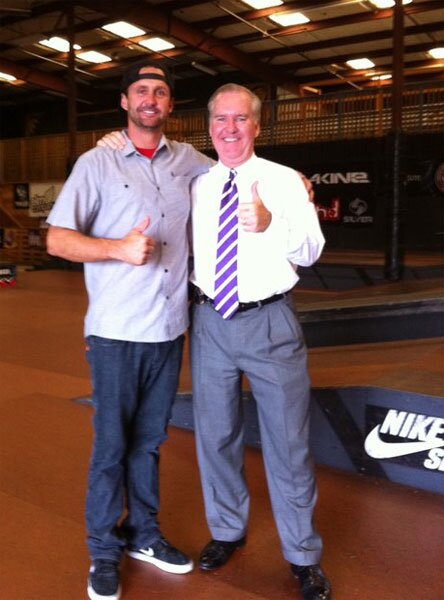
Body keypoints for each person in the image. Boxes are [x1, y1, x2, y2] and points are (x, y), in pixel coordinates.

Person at [46, 59, 213, 600]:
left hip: (167, 330)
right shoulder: (97, 163)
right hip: (116, 333)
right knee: (112, 446)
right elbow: (57, 241)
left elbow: (238, 171)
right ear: (125, 102)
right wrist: (117, 248)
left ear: (169, 104)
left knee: (149, 443)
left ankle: (143, 533)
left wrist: (293, 181)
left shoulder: (189, 160)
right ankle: (102, 549)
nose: (151, 99)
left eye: (160, 92)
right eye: (141, 91)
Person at [189, 83, 331, 600]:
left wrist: (272, 225)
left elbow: (312, 250)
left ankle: (303, 555)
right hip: (210, 322)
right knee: (216, 436)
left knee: (289, 443)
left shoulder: (283, 181)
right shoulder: (198, 183)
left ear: (257, 125)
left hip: (270, 322)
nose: (230, 129)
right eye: (221, 119)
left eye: (240, 119)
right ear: (209, 127)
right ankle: (226, 529)